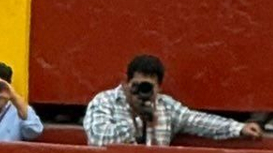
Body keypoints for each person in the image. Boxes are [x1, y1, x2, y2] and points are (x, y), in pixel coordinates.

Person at [84, 52, 261, 146]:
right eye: (137, 86)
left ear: (159, 88)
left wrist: (239, 128)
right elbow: (98, 140)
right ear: (126, 84)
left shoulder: (165, 106)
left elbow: (198, 121)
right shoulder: (105, 102)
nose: (141, 92)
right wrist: (136, 120)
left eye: (148, 87)